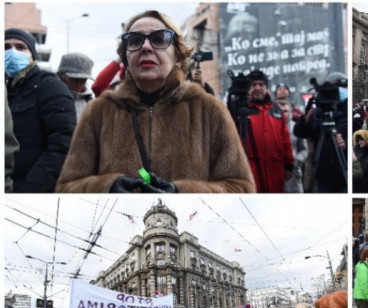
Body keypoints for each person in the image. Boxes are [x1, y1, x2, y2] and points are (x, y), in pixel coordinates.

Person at [55, 11, 255, 193]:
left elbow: (240, 187)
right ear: (126, 56)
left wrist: (181, 193)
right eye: (135, 41)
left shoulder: (209, 109)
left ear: (178, 55)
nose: (146, 47)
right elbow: (66, 188)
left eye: (159, 39)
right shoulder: (98, 111)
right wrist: (107, 187)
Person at [5, 28, 77, 193]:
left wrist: (26, 191)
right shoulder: (7, 90)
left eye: (20, 47)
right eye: (6, 47)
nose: (12, 52)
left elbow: (63, 145)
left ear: (32, 55)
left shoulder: (49, 86)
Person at [294, 72, 348, 193]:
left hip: (345, 173)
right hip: (323, 174)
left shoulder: (348, 110)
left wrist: (345, 142)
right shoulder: (318, 112)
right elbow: (300, 132)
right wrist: (305, 120)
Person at [277, 100, 308, 193]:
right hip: (275, 171)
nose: (283, 114)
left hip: (293, 171)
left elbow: (304, 149)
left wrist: (298, 161)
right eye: (280, 111)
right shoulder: (268, 128)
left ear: (290, 112)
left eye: (285, 111)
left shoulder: (296, 128)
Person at [56, 52, 95, 120]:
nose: (79, 84)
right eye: (75, 79)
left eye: (84, 80)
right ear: (62, 75)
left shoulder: (90, 103)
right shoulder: (47, 98)